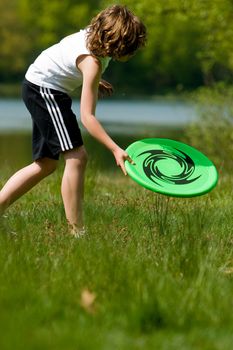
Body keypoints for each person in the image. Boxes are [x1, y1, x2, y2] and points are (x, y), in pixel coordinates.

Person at [0, 5, 147, 237]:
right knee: (77, 157)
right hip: (45, 90)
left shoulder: (94, 36)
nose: (133, 52)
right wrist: (115, 149)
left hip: (37, 84)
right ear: (118, 44)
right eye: (131, 48)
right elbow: (88, 118)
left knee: (46, 164)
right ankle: (77, 232)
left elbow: (68, 56)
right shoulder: (92, 63)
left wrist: (93, 80)